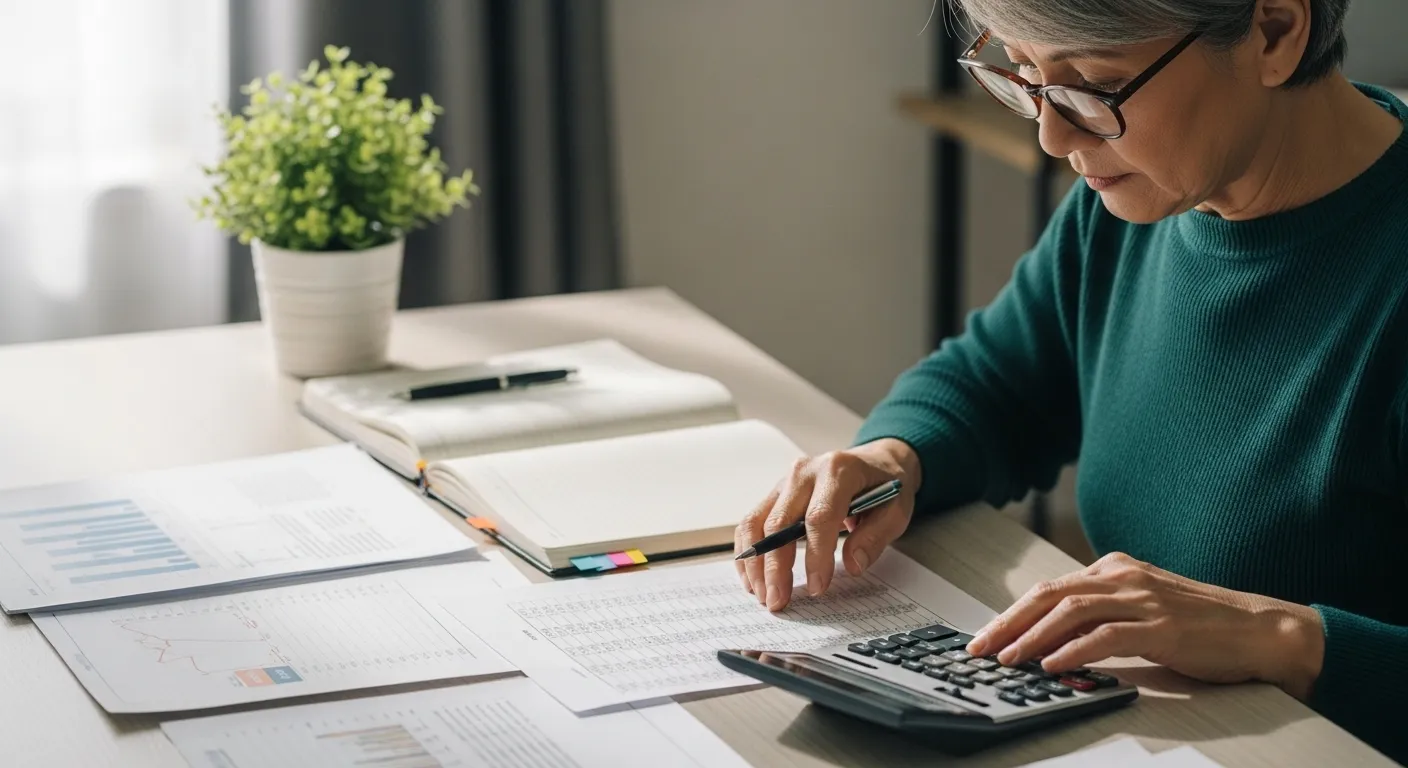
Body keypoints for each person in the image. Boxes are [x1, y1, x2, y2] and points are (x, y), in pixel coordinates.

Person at [733, 0, 1408, 761]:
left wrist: (1287, 639)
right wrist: (892, 460)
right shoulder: (1136, 205)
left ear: (1276, 32)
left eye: (1093, 85)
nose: (1053, 136)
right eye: (1026, 78)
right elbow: (1000, 383)